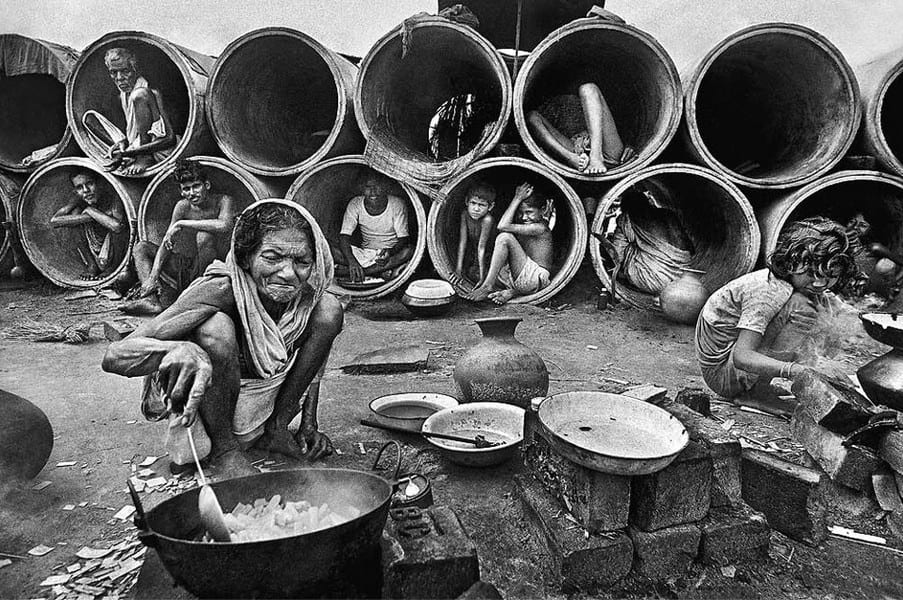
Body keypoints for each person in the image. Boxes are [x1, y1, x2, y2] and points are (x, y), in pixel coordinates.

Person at [102, 200, 343, 479]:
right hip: (213, 411)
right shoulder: (220, 289)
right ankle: (225, 451)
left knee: (329, 308)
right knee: (214, 328)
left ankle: (277, 428)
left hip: (265, 406)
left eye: (301, 262)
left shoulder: (305, 300)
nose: (288, 273)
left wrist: (308, 423)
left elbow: (317, 363)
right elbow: (114, 355)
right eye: (272, 258)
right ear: (246, 258)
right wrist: (175, 350)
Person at [694, 217, 862, 416]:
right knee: (802, 307)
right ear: (791, 262)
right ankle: (756, 394)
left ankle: (757, 386)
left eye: (829, 276)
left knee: (821, 305)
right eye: (810, 273)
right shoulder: (769, 292)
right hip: (724, 374)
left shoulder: (798, 286)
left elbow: (849, 316)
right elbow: (742, 356)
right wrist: (794, 370)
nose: (819, 283)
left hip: (735, 368)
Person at [120, 160, 236, 316]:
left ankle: (199, 292)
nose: (192, 193)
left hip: (218, 269)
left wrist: (182, 223)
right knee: (141, 247)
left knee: (204, 236)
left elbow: (224, 225)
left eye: (196, 186)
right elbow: (167, 243)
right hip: (191, 267)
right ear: (181, 192)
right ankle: (151, 301)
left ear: (206, 185)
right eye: (186, 189)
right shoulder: (182, 206)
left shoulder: (224, 201)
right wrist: (153, 277)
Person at [82, 47, 176, 176]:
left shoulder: (148, 93)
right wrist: (123, 144)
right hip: (135, 149)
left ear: (135, 70)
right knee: (88, 118)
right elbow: (135, 133)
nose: (119, 78)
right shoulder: (123, 96)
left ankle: (144, 157)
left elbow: (170, 139)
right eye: (113, 72)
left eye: (125, 71)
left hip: (159, 151)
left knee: (139, 95)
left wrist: (129, 153)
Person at [464, 182, 553, 304]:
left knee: (504, 238)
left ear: (543, 210)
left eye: (529, 212)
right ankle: (511, 292)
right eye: (521, 213)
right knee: (475, 273)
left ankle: (487, 286)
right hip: (524, 278)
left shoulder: (540, 228)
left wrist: (517, 198)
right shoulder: (529, 225)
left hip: (535, 277)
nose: (524, 217)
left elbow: (503, 226)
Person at [604, 181, 694, 294]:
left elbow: (617, 254)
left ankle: (631, 275)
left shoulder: (626, 219)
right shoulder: (669, 214)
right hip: (686, 276)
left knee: (629, 248)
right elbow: (690, 247)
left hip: (655, 280)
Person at [527, 82, 635, 175]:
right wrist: (572, 156)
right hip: (576, 151)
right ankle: (570, 158)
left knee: (588, 88)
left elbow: (627, 127)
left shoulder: (593, 104)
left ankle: (596, 156)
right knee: (532, 117)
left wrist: (629, 144)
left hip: (605, 150)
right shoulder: (557, 108)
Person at [333, 173, 413, 283]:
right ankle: (376, 272)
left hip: (386, 255)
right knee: (326, 245)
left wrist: (390, 252)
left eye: (377, 186)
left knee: (409, 251)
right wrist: (352, 262)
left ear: (385, 187)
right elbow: (344, 237)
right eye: (368, 187)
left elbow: (403, 239)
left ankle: (355, 272)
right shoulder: (355, 204)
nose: (373, 192)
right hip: (363, 254)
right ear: (362, 189)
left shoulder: (397, 204)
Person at [50, 169, 125, 280]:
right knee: (74, 214)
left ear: (99, 183)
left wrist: (91, 211)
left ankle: (113, 267)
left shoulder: (113, 197)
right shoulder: (78, 199)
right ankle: (92, 265)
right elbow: (54, 221)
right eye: (79, 187)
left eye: (90, 184)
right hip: (94, 246)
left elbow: (117, 227)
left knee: (119, 228)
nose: (86, 190)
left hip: (114, 248)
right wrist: (89, 218)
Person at [449, 182, 496, 289]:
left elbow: (482, 248)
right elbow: (462, 242)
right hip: (475, 254)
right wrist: (458, 270)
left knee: (480, 276)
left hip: (490, 255)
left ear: (491, 206)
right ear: (466, 201)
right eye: (473, 203)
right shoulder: (465, 214)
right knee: (470, 273)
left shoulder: (487, 220)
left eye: (482, 205)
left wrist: (483, 277)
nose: (476, 209)